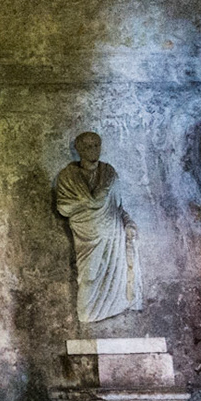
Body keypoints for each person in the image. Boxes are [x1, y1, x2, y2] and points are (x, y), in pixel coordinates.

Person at [53, 131, 138, 323]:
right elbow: (63, 208)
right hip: (87, 236)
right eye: (88, 146)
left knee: (114, 277)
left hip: (113, 233)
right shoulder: (68, 176)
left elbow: (118, 207)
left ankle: (114, 312)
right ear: (79, 149)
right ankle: (87, 315)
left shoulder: (109, 173)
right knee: (88, 277)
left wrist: (128, 223)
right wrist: (88, 202)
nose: (93, 149)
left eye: (96, 145)